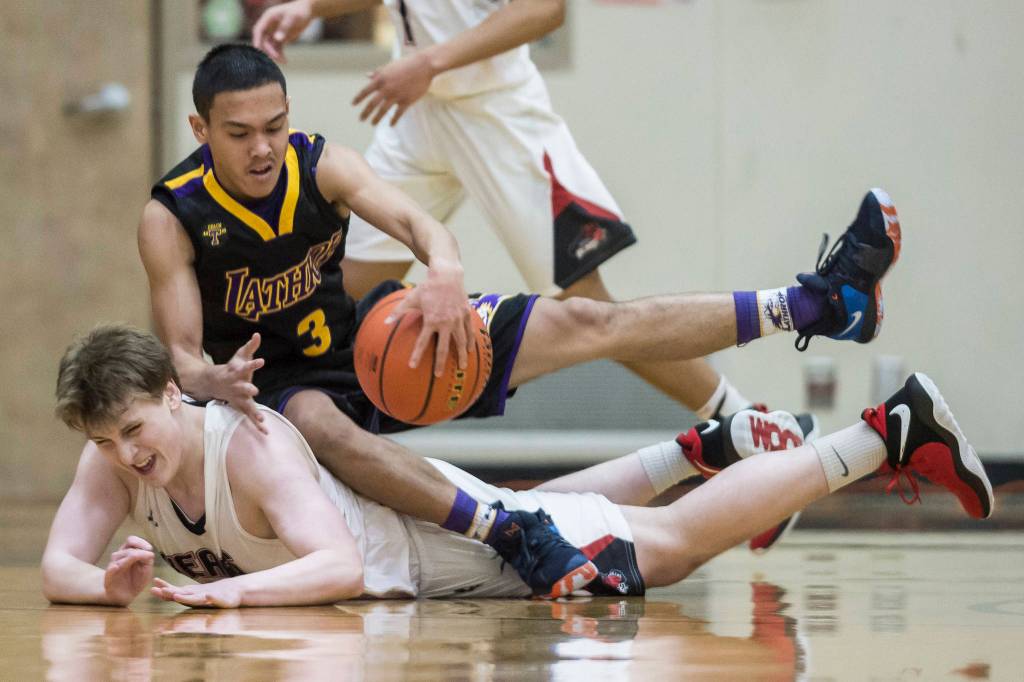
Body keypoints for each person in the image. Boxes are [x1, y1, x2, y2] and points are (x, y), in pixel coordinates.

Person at [140, 43, 898, 596]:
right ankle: (507, 532)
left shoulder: (320, 162)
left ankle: (816, 304)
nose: (263, 147)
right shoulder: (172, 214)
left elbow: (418, 224)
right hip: (272, 397)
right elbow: (179, 356)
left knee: (586, 321)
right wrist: (216, 377)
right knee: (324, 423)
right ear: (201, 131)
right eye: (240, 135)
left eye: (274, 125)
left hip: (367, 350)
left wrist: (443, 272)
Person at [41, 325, 993, 608]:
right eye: (107, 442)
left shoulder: (241, 444)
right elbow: (58, 566)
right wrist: (108, 587)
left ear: (174, 393)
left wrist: (231, 600)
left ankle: (885, 434)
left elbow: (333, 567)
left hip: (416, 551)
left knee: (661, 549)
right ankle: (700, 447)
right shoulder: (114, 458)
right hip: (420, 529)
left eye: (134, 428)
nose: (127, 455)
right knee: (524, 502)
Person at [251, 0, 767, 420]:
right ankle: (270, 442)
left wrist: (429, 61)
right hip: (421, 114)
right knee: (340, 288)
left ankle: (746, 422)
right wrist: (311, 7)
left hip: (497, 115)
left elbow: (544, 10)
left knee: (589, 307)